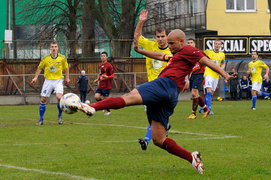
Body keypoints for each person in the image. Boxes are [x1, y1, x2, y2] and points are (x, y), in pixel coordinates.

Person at [68, 29, 237, 174]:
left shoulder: (189, 50)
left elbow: (205, 61)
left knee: (127, 98)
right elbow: (159, 55)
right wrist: (140, 50)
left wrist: (225, 74)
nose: (169, 46)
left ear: (181, 41)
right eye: (168, 43)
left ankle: (90, 107)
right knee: (158, 139)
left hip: (165, 84)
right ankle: (192, 158)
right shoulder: (176, 56)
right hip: (170, 97)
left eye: (172, 43)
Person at [135, 9, 171, 151]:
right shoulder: (151, 45)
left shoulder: (171, 52)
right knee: (151, 116)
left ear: (167, 36)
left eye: (163, 36)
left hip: (164, 88)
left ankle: (147, 140)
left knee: (154, 116)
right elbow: (137, 37)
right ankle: (164, 126)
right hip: (151, 87)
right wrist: (141, 22)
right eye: (158, 36)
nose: (160, 39)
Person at [31, 41, 70, 125]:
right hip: (48, 80)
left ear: (58, 48)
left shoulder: (62, 58)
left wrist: (67, 77)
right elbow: (39, 68)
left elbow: (66, 68)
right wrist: (35, 77)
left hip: (58, 80)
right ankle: (41, 120)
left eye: (55, 46)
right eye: (52, 47)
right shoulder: (45, 58)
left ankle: (60, 116)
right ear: (50, 48)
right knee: (43, 99)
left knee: (59, 97)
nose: (54, 48)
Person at [186, 38, 210, 119]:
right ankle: (206, 109)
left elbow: (207, 60)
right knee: (195, 95)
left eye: (191, 42)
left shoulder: (199, 52)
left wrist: (202, 64)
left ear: (194, 44)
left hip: (199, 74)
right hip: (191, 75)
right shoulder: (187, 54)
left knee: (194, 93)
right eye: (188, 43)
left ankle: (194, 113)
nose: (189, 44)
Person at [204, 39, 225, 115]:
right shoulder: (208, 52)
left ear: (220, 46)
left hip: (216, 76)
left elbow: (223, 64)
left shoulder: (222, 54)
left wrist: (220, 70)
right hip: (208, 73)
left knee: (211, 93)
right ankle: (209, 109)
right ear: (213, 44)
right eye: (216, 43)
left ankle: (202, 107)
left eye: (219, 44)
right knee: (209, 90)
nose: (217, 45)